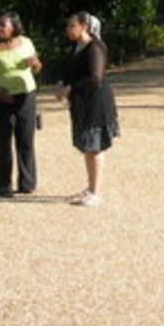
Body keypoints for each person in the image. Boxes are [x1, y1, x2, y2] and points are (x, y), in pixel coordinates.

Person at [55, 11, 120, 207]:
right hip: (82, 103)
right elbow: (72, 72)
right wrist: (62, 84)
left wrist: (71, 88)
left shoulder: (95, 47)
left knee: (95, 146)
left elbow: (95, 77)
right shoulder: (77, 48)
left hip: (95, 103)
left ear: (84, 26)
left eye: (71, 26)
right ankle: (91, 185)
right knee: (87, 147)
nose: (68, 30)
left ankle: (96, 191)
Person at [0, 11, 43, 198]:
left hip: (26, 96)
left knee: (25, 140)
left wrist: (35, 63)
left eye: (3, 26)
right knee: (2, 141)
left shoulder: (26, 42)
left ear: (14, 27)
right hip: (2, 99)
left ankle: (27, 183)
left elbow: (38, 67)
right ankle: (2, 185)